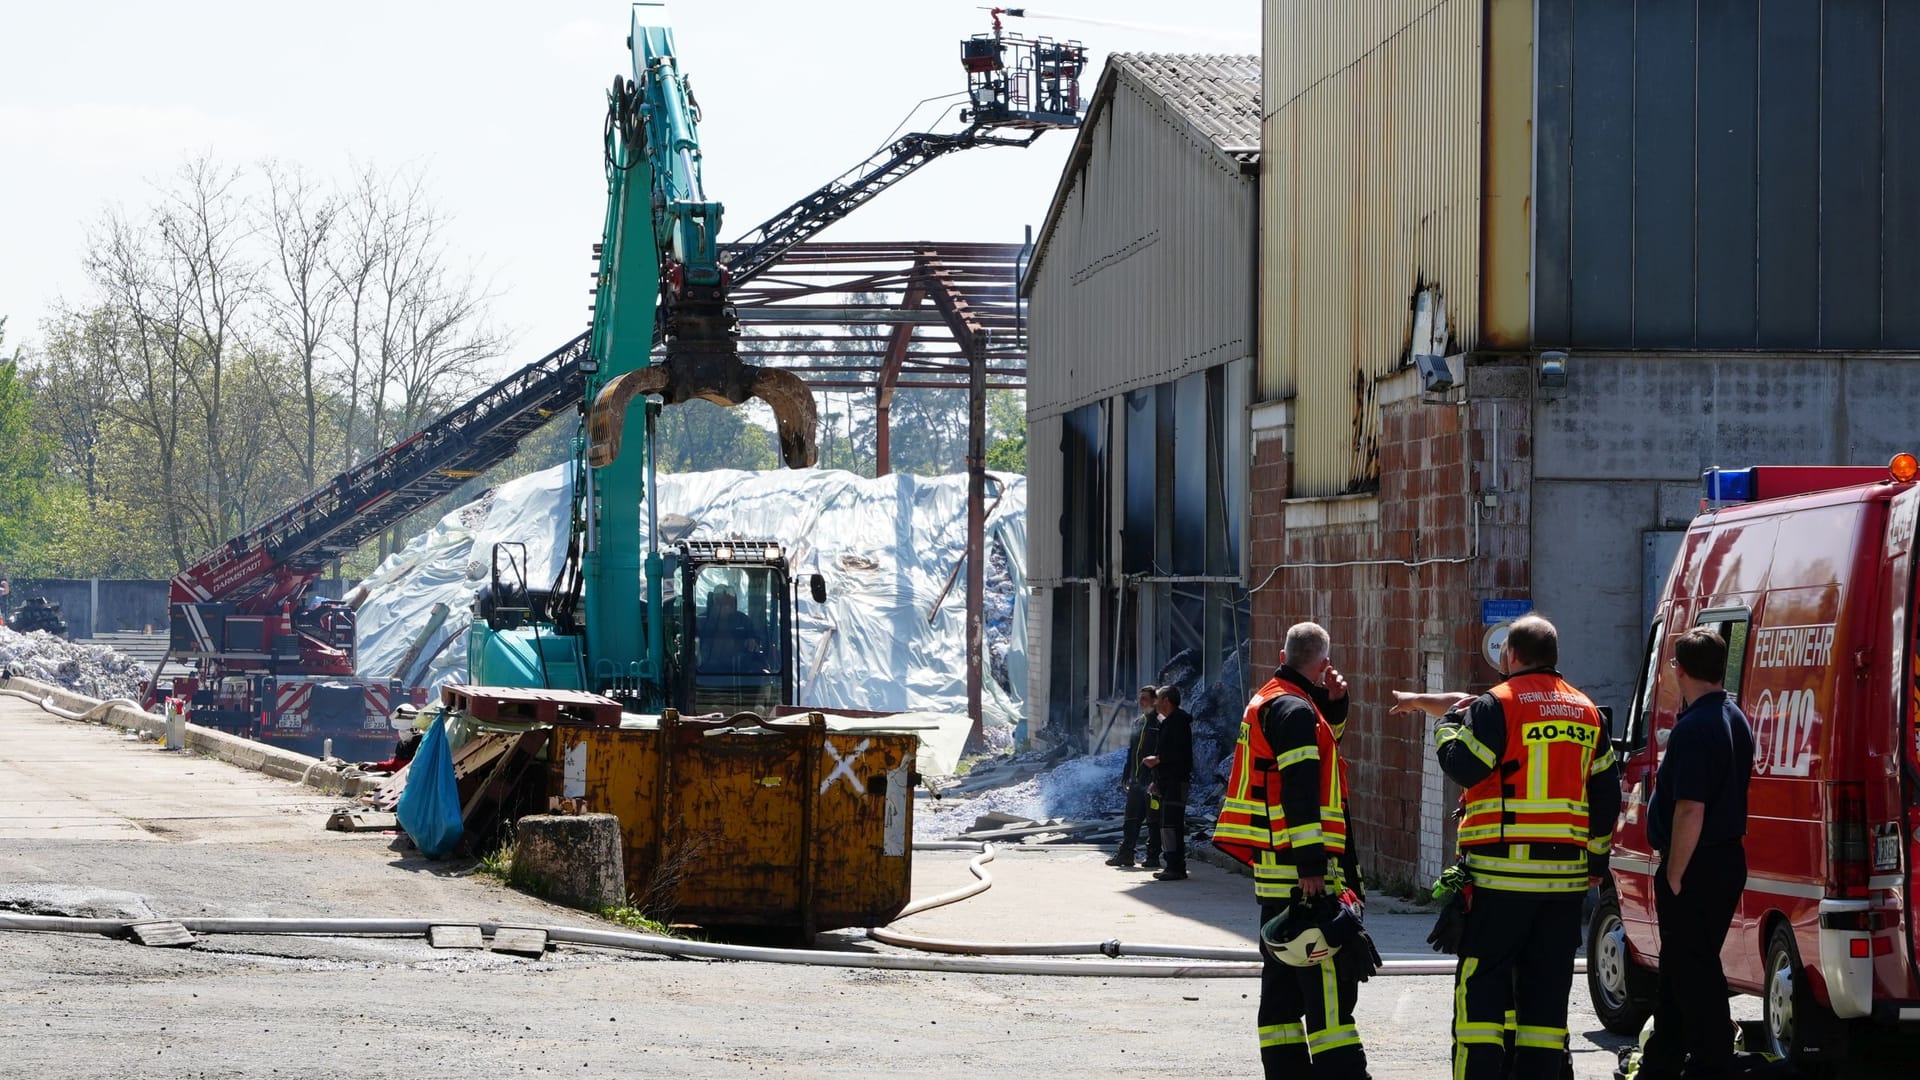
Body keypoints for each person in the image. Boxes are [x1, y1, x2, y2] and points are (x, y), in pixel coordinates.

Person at [1404, 614, 1619, 1080]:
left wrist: (1444, 725)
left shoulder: (1497, 704)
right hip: (1563, 887)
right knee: (1544, 1008)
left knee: (1481, 998)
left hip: (1499, 881)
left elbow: (1466, 767)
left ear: (1512, 655)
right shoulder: (1587, 711)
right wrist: (1596, 862)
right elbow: (1606, 796)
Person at [1213, 621, 1368, 1079]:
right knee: (1328, 989)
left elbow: (1319, 741)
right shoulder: (1294, 709)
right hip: (1304, 874)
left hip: (1275, 868)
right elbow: (1300, 791)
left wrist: (1335, 705)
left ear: (1285, 655)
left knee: (1281, 989)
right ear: (1322, 663)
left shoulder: (1276, 698)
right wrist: (1313, 868)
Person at [1638, 628, 1752, 1079]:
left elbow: (1690, 809)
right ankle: (1663, 1060)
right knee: (1681, 965)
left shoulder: (1693, 728)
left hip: (1696, 863)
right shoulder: (1733, 716)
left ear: (1678, 669)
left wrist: (1674, 875)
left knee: (1693, 968)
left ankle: (1713, 1061)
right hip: (1724, 860)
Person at [1106, 685, 1163, 868]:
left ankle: (1153, 856)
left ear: (1155, 701)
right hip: (1136, 779)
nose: (1141, 702)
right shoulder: (1139, 722)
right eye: (1140, 698)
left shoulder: (1160, 724)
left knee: (1153, 820)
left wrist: (1157, 779)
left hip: (1151, 781)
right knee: (1130, 819)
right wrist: (1126, 773)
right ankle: (1126, 854)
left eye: (1145, 698)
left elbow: (1163, 753)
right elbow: (1132, 751)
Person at [1143, 684, 1193, 881]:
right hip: (1167, 781)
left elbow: (1179, 754)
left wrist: (1158, 760)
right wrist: (1157, 779)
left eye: (1158, 699)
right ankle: (1172, 864)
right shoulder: (1168, 722)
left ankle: (1175, 866)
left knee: (1172, 825)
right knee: (1167, 824)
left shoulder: (1178, 722)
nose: (1155, 703)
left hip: (1176, 781)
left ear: (1166, 701)